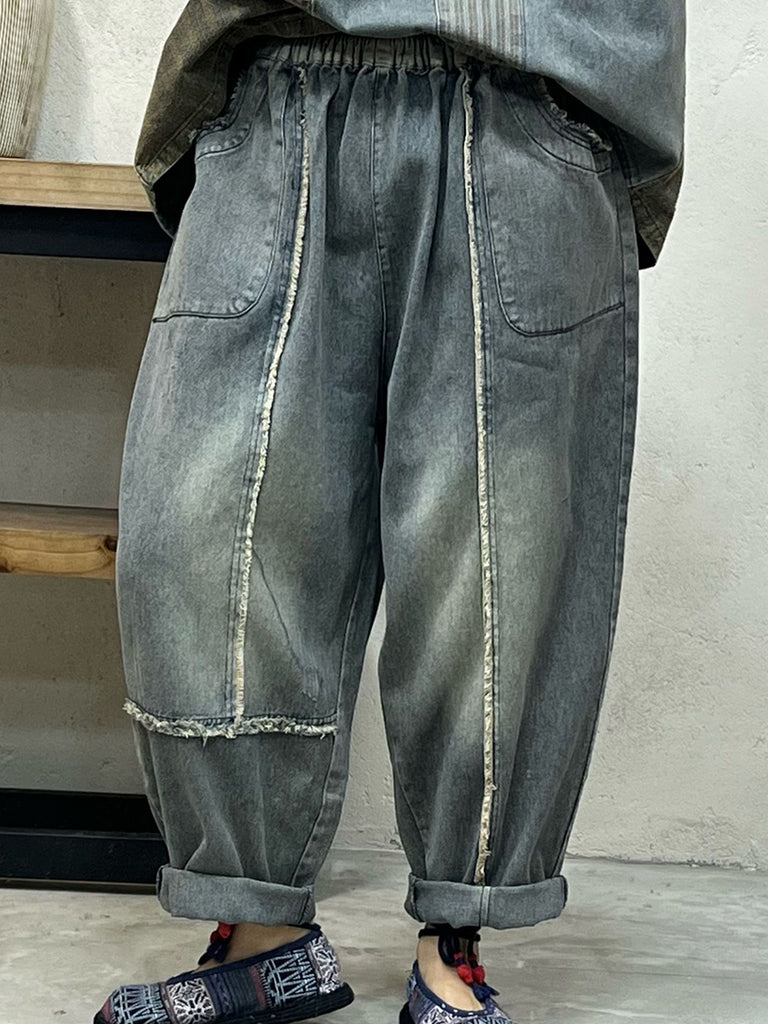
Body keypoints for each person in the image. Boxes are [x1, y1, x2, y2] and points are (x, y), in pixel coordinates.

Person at [95, 4, 685, 1024]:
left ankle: (456, 941)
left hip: (529, 85)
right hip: (274, 77)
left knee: (493, 555)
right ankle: (258, 935)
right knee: (208, 535)